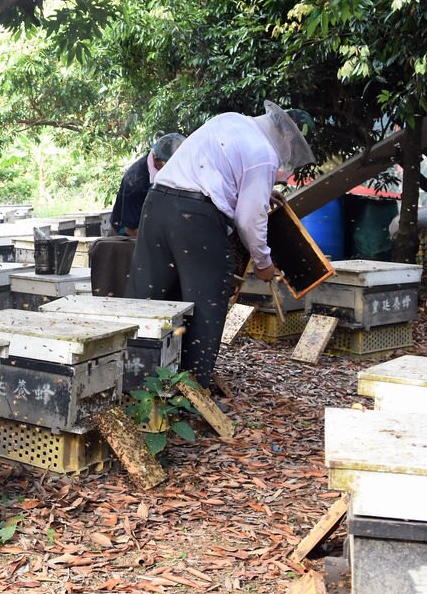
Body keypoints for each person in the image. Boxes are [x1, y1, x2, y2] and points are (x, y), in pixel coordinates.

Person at [126, 101, 314, 390]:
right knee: (205, 307)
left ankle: (135, 385)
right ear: (286, 136)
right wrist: (264, 264)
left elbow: (212, 173)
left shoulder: (231, 119)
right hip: (195, 220)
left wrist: (261, 192)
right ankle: (191, 394)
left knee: (148, 299)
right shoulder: (263, 153)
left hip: (157, 206)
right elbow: (250, 220)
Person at [109, 133, 186, 237]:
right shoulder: (135, 182)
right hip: (127, 236)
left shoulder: (170, 170)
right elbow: (131, 229)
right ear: (157, 160)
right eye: (173, 164)